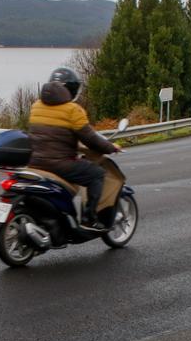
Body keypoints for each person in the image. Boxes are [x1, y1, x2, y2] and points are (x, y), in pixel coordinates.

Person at [27, 67, 122, 231]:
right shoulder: (73, 110)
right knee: (96, 174)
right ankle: (89, 218)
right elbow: (90, 138)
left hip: (34, 162)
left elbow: (49, 135)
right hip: (60, 164)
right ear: (72, 89)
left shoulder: (36, 106)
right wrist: (110, 148)